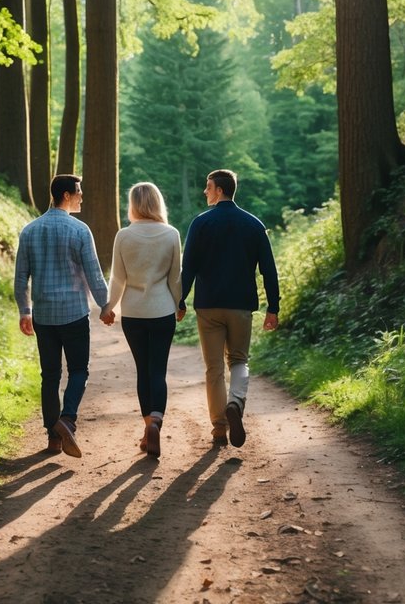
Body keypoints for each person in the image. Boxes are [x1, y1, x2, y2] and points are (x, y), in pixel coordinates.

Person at [179, 168, 279, 449]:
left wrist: (180, 300)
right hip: (240, 306)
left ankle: (219, 428)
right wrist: (273, 306)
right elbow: (268, 270)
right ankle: (235, 402)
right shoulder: (253, 224)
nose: (205, 191)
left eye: (208, 187)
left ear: (219, 190)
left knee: (213, 369)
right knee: (239, 361)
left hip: (209, 305)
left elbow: (190, 267)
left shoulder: (200, 224)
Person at [14, 173, 110, 458]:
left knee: (50, 375)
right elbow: (94, 275)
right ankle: (67, 420)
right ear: (66, 195)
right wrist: (106, 306)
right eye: (78, 192)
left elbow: (21, 279)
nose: (82, 196)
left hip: (44, 315)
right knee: (79, 369)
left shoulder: (30, 231)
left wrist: (25, 310)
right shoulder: (80, 230)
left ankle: (53, 439)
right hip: (74, 314)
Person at [101, 181, 181, 458]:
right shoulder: (172, 234)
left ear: (132, 204)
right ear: (158, 202)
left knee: (142, 370)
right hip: (162, 311)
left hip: (133, 313)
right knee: (158, 370)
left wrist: (107, 307)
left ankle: (148, 427)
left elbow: (117, 278)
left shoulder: (124, 236)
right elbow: (175, 278)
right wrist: (179, 304)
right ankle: (157, 421)